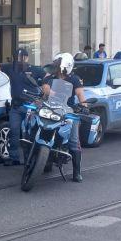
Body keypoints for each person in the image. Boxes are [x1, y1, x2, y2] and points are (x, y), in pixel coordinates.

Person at [0, 48, 43, 166]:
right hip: (16, 107)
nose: (20, 60)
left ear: (27, 58)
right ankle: (14, 158)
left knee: (29, 133)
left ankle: (30, 158)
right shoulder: (10, 68)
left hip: (31, 107)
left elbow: (47, 79)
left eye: (22, 57)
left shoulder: (35, 70)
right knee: (14, 131)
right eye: (18, 57)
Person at [42, 52, 87, 182]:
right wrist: (49, 91)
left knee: (74, 141)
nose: (55, 66)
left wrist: (84, 107)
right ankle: (44, 161)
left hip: (68, 111)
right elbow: (45, 88)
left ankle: (77, 172)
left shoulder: (74, 79)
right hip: (51, 108)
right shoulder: (50, 76)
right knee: (43, 130)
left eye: (57, 64)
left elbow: (80, 95)